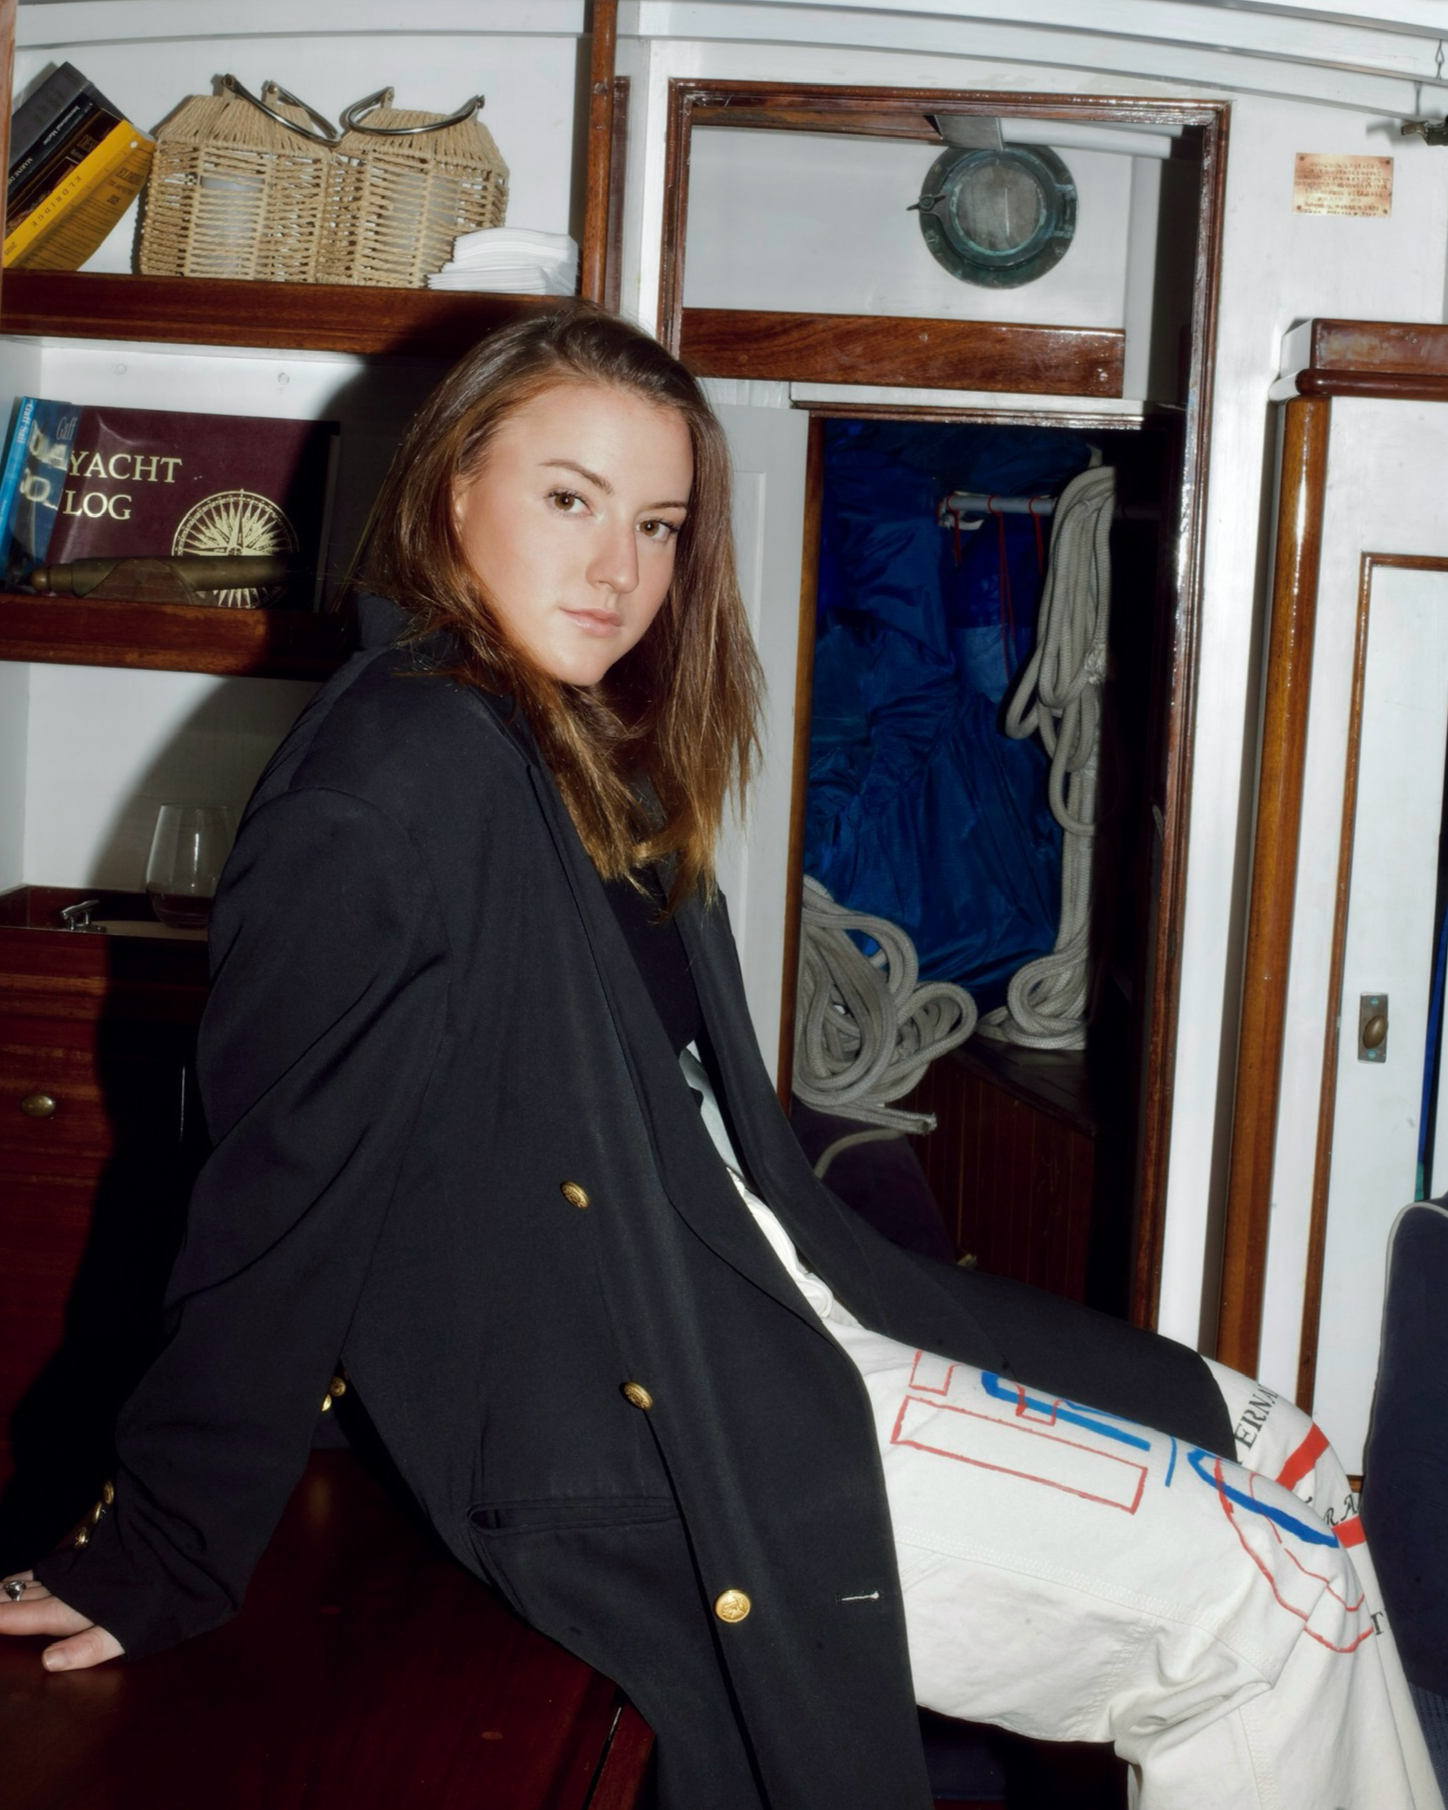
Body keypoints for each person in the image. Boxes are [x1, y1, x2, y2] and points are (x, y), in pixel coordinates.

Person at [0, 304, 1438, 1810]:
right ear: (447, 497)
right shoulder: (391, 786)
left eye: (660, 523)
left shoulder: (562, 750)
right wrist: (168, 1533)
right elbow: (278, 1193)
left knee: (1291, 1451)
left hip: (777, 1310)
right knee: (1287, 1611)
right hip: (653, 1409)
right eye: (569, 499)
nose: (620, 568)